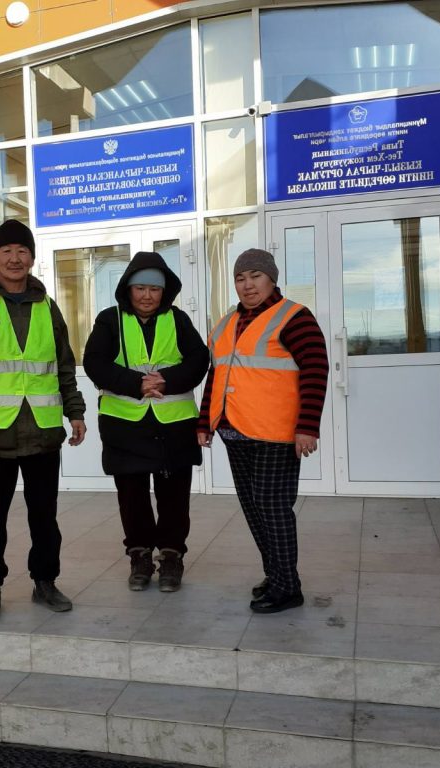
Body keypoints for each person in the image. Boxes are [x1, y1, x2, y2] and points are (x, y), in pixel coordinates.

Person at [0, 219, 87, 623]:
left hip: (42, 432)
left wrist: (75, 411)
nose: (14, 258)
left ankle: (45, 582)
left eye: (22, 251)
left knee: (44, 517)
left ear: (32, 258)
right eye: (6, 250)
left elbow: (63, 366)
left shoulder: (48, 307)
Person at [197, 248, 329, 614]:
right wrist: (205, 422)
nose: (247, 284)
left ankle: (288, 588)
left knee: (273, 507)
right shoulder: (226, 323)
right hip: (234, 430)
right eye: (240, 278)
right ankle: (277, 575)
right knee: (254, 508)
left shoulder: (295, 317)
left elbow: (316, 370)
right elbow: (216, 375)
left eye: (255, 276)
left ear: (272, 279)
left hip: (275, 433)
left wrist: (307, 427)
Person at [83, 252, 209, 592]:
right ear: (128, 288)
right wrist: (136, 383)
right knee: (132, 498)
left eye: (154, 289)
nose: (147, 296)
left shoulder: (178, 320)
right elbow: (94, 361)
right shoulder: (109, 320)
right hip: (125, 426)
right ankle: (139, 557)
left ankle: (171, 557)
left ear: (164, 291)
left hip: (174, 427)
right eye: (140, 288)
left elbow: (199, 359)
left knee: (174, 498)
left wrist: (166, 380)